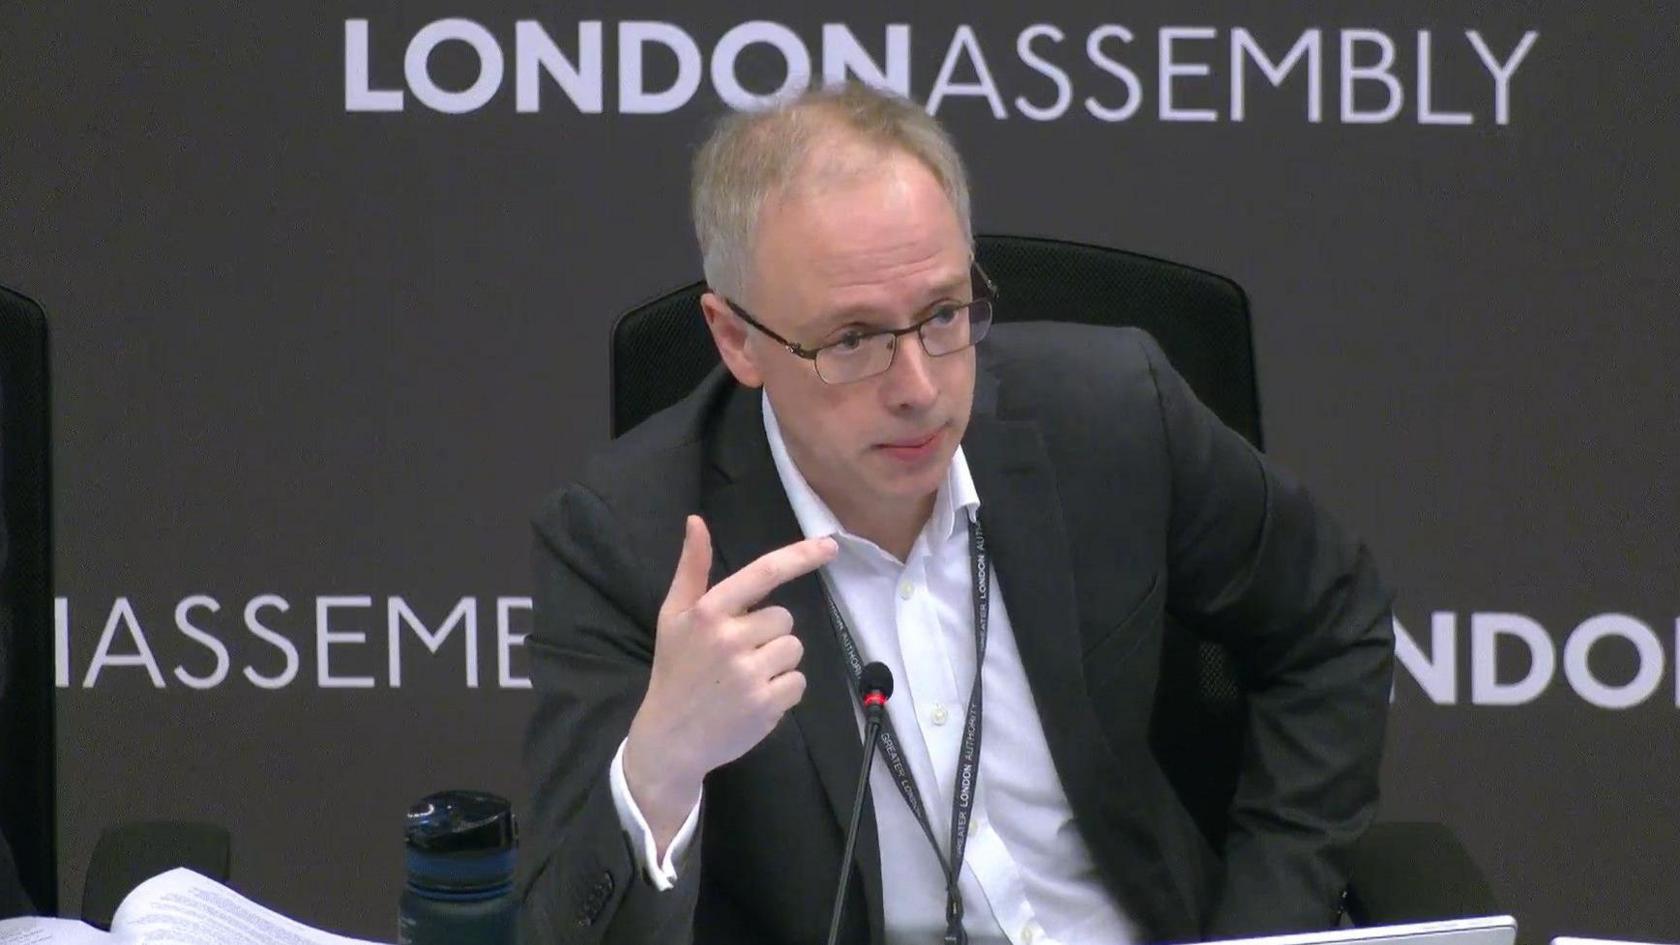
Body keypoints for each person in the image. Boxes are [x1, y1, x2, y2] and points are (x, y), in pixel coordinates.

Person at [518, 83, 1394, 945]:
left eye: (943, 314)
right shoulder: (626, 542)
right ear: (737, 338)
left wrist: (1265, 933)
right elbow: (560, 925)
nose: (921, 388)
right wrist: (661, 768)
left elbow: (1331, 622)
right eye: (853, 340)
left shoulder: (1113, 417)